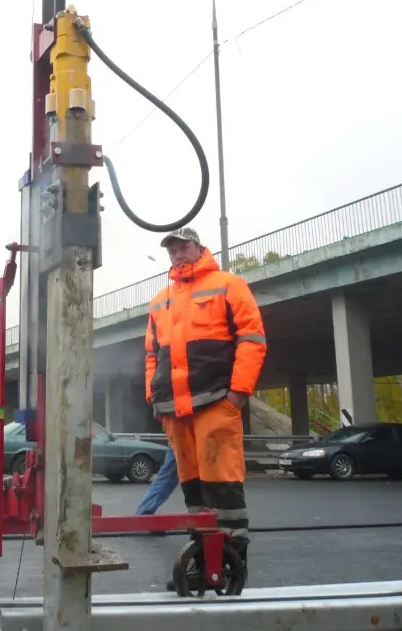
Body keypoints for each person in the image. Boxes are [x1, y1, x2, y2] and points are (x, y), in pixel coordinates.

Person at [144, 226, 266, 584]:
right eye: (172, 250)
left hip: (215, 402)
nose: (177, 254)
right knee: (194, 490)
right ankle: (203, 559)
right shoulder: (160, 301)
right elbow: (151, 354)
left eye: (183, 247)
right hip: (175, 411)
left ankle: (229, 563)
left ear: (199, 247)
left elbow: (252, 338)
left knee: (223, 486)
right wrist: (154, 396)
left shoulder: (229, 284)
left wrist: (237, 394)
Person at [135, 444, 177, 515]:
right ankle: (142, 515)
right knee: (168, 474)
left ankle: (142, 515)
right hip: (185, 440)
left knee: (168, 474)